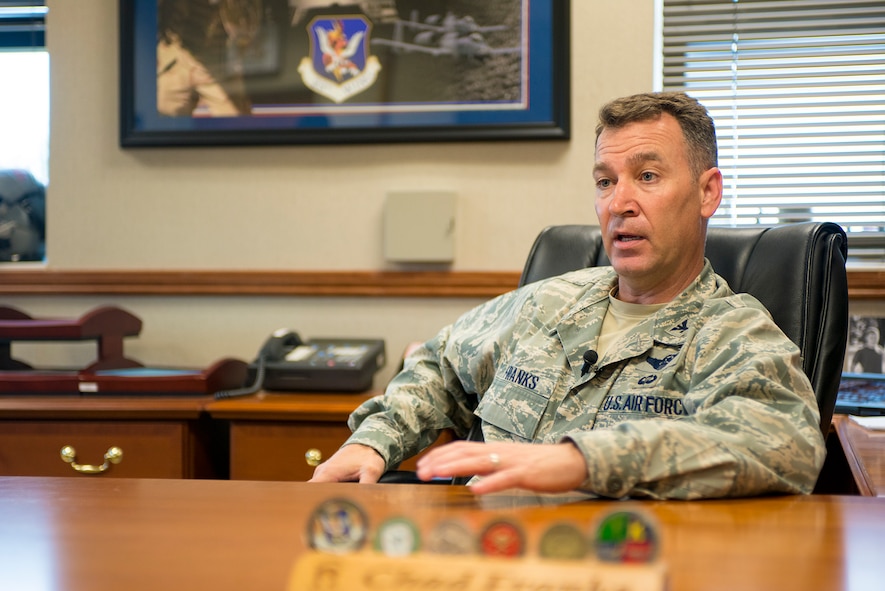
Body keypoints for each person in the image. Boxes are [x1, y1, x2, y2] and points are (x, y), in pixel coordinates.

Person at [309, 91, 826, 499]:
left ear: (707, 192)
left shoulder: (731, 330)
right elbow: (437, 365)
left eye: (647, 176)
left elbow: (784, 443)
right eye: (605, 182)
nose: (619, 203)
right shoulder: (547, 303)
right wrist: (374, 440)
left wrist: (582, 461)